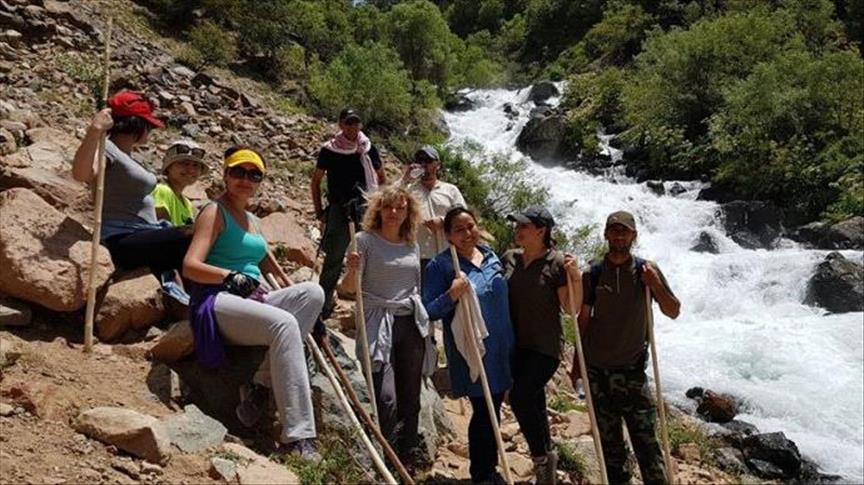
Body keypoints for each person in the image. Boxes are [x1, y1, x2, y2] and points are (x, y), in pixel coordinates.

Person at [183, 146, 325, 460]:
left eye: (254, 175)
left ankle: (260, 386)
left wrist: (304, 305)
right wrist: (228, 276)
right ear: (225, 175)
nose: (245, 179)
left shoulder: (252, 220)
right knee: (284, 324)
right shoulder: (214, 212)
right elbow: (190, 266)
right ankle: (298, 437)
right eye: (238, 172)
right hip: (219, 299)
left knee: (314, 294)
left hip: (254, 297)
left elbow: (268, 263)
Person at [570, 211, 681, 485]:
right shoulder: (594, 273)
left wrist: (655, 284)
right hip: (597, 371)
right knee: (610, 448)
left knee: (647, 445)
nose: (619, 235)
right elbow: (583, 320)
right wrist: (576, 365)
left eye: (625, 231)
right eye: (614, 230)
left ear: (634, 235)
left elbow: (673, 310)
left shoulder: (647, 270)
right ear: (606, 234)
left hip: (632, 371)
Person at [340, 185, 433, 466]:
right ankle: (388, 453)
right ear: (378, 209)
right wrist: (353, 269)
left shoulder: (412, 245)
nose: (394, 212)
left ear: (408, 212)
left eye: (400, 207)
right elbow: (347, 289)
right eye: (388, 206)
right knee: (386, 396)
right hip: (376, 321)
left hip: (409, 322)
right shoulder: (363, 241)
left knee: (411, 394)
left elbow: (415, 287)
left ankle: (408, 455)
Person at [423, 206, 514, 483]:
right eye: (458, 230)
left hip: (501, 347)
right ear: (448, 235)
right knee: (484, 409)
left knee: (493, 407)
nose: (466, 234)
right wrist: (451, 295)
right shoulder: (441, 265)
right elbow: (428, 310)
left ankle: (489, 468)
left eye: (470, 226)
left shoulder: (490, 256)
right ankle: (482, 473)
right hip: (471, 349)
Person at [501, 206, 580, 484]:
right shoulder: (510, 258)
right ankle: (548, 458)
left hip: (545, 347)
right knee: (535, 401)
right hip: (516, 344)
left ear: (541, 231)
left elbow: (571, 308)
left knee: (520, 397)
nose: (517, 230)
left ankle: (541, 459)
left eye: (524, 226)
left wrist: (576, 277)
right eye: (517, 225)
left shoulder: (557, 263)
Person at [72, 91, 191, 276]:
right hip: (122, 237)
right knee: (196, 234)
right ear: (137, 124)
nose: (150, 131)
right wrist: (94, 131)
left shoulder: (128, 156)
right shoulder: (107, 149)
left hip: (145, 232)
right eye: (149, 126)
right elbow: (82, 174)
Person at [311, 108, 387, 320]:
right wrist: (319, 211)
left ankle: (370, 307)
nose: (352, 127)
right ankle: (322, 306)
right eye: (348, 123)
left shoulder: (367, 148)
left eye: (356, 122)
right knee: (334, 258)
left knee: (369, 256)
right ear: (340, 124)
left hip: (365, 207)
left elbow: (381, 178)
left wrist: (379, 206)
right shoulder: (329, 150)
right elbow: (316, 181)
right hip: (339, 207)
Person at [401, 145, 465, 282]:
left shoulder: (451, 190)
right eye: (420, 161)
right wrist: (405, 179)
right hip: (418, 257)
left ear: (438, 165)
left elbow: (463, 217)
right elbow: (387, 201)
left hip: (449, 255)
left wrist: (443, 221)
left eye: (429, 161)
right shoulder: (408, 191)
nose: (424, 165)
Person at [152, 139, 206, 226]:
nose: (191, 170)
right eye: (184, 163)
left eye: (195, 165)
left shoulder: (187, 203)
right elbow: (160, 231)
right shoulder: (162, 191)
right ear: (169, 167)